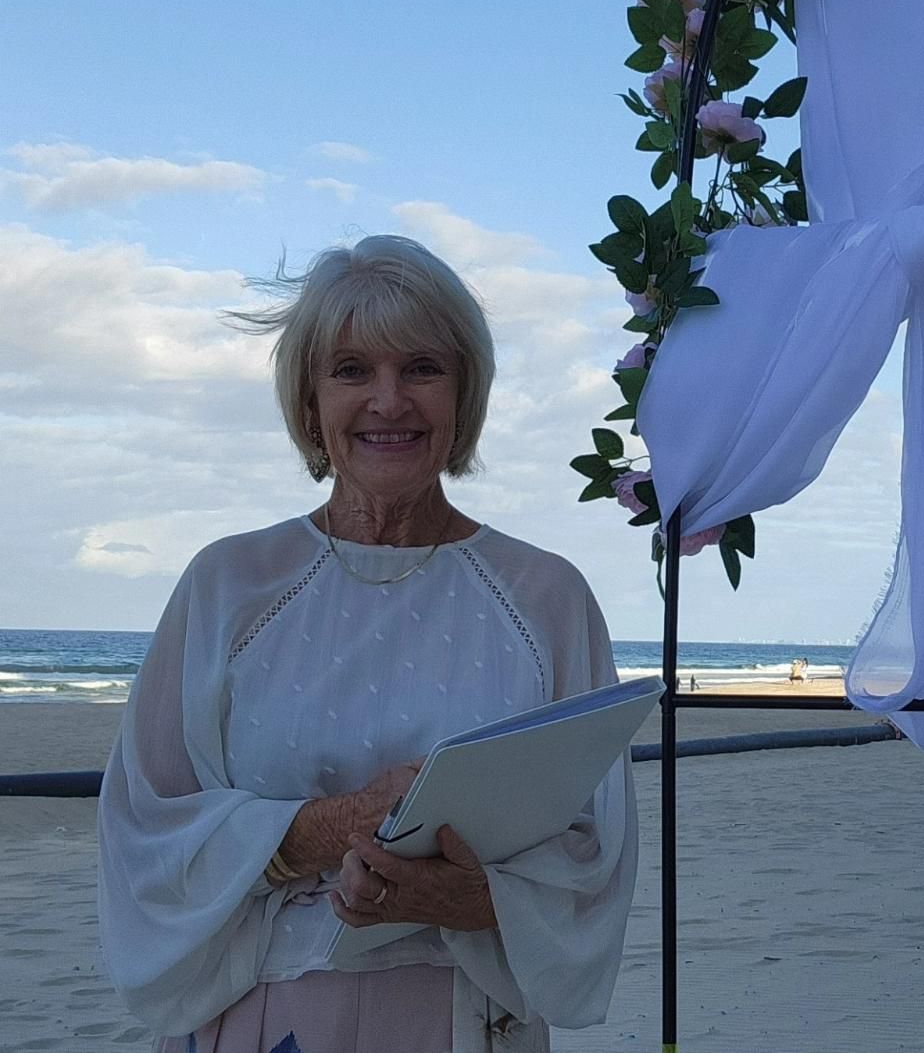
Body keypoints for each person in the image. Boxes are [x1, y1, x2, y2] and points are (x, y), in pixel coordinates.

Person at [97, 235, 638, 1053]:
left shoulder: (545, 596)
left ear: (464, 394)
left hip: (468, 1017)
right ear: (310, 403)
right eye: (352, 369)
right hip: (262, 1009)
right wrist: (328, 826)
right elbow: (145, 825)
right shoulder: (230, 582)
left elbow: (597, 850)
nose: (389, 400)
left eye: (422, 367)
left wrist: (464, 896)